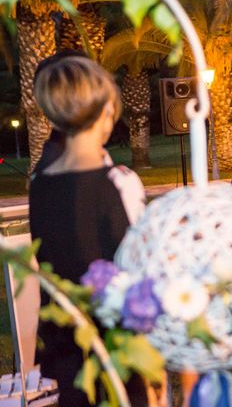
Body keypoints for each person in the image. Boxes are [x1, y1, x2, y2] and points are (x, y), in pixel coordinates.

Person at [29, 55, 146, 405]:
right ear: (106, 110)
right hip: (112, 351)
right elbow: (129, 271)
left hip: (66, 345)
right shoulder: (109, 185)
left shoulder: (41, 183)